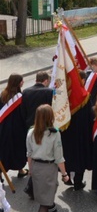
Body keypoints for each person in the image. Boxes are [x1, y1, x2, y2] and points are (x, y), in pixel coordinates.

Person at [26, 104, 68, 212]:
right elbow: (59, 158)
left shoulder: (30, 132)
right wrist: (65, 174)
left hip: (36, 168)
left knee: (46, 196)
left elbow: (29, 155)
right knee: (44, 203)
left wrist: (31, 170)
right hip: (48, 169)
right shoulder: (54, 134)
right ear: (50, 117)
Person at [21, 71, 54, 199]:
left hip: (30, 126)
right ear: (45, 80)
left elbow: (23, 110)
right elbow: (51, 111)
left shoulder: (26, 92)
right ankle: (33, 187)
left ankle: (32, 187)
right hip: (44, 128)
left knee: (34, 155)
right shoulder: (48, 92)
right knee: (42, 158)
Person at [60, 70, 93, 191]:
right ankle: (78, 182)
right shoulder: (84, 96)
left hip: (66, 132)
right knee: (80, 157)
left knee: (68, 155)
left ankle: (67, 177)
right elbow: (91, 117)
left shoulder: (63, 97)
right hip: (82, 133)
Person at [0, 73, 28, 178]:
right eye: (22, 80)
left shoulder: (3, 94)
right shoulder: (20, 97)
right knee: (18, 149)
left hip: (3, 128)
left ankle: (1, 172)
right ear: (18, 83)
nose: (23, 82)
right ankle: (20, 169)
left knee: (5, 149)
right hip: (17, 128)